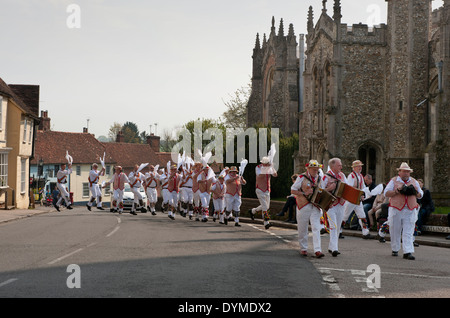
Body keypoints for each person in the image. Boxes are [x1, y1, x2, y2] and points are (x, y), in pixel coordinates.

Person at [384, 162, 423, 260]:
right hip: (396, 209)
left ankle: (408, 251)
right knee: (395, 230)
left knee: (408, 231)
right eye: (404, 171)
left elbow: (421, 194)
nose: (406, 173)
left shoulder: (414, 182)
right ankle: (395, 248)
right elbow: (386, 193)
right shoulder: (394, 181)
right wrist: (397, 190)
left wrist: (416, 192)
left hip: (410, 209)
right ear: (399, 172)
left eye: (408, 172)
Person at [291, 160, 324, 258]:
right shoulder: (301, 177)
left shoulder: (319, 178)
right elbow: (293, 190)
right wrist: (304, 193)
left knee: (316, 227)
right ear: (308, 169)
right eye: (313, 169)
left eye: (317, 169)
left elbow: (322, 190)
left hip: (315, 206)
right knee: (302, 227)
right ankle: (303, 248)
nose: (315, 171)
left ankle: (318, 250)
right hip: (303, 204)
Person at [321, 158, 347, 257]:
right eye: (339, 165)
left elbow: (347, 187)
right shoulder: (325, 177)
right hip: (331, 205)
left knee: (337, 227)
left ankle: (331, 247)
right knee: (333, 226)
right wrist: (329, 189)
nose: (341, 167)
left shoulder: (342, 175)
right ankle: (335, 249)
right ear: (333, 166)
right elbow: (320, 192)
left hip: (341, 204)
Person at [342, 160, 374, 239]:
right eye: (359, 166)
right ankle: (338, 231)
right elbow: (349, 188)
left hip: (357, 199)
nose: (360, 167)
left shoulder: (360, 176)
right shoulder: (351, 176)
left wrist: (365, 195)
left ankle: (365, 233)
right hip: (351, 200)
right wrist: (359, 193)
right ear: (355, 167)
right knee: (345, 216)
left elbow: (363, 187)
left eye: (361, 166)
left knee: (362, 215)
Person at [249, 157, 278, 229]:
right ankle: (266, 223)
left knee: (266, 206)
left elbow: (275, 175)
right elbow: (260, 176)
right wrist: (267, 169)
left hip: (267, 189)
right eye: (265, 164)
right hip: (259, 189)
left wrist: (272, 167)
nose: (266, 165)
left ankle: (253, 211)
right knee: (265, 207)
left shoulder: (269, 168)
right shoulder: (258, 168)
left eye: (267, 163)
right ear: (262, 163)